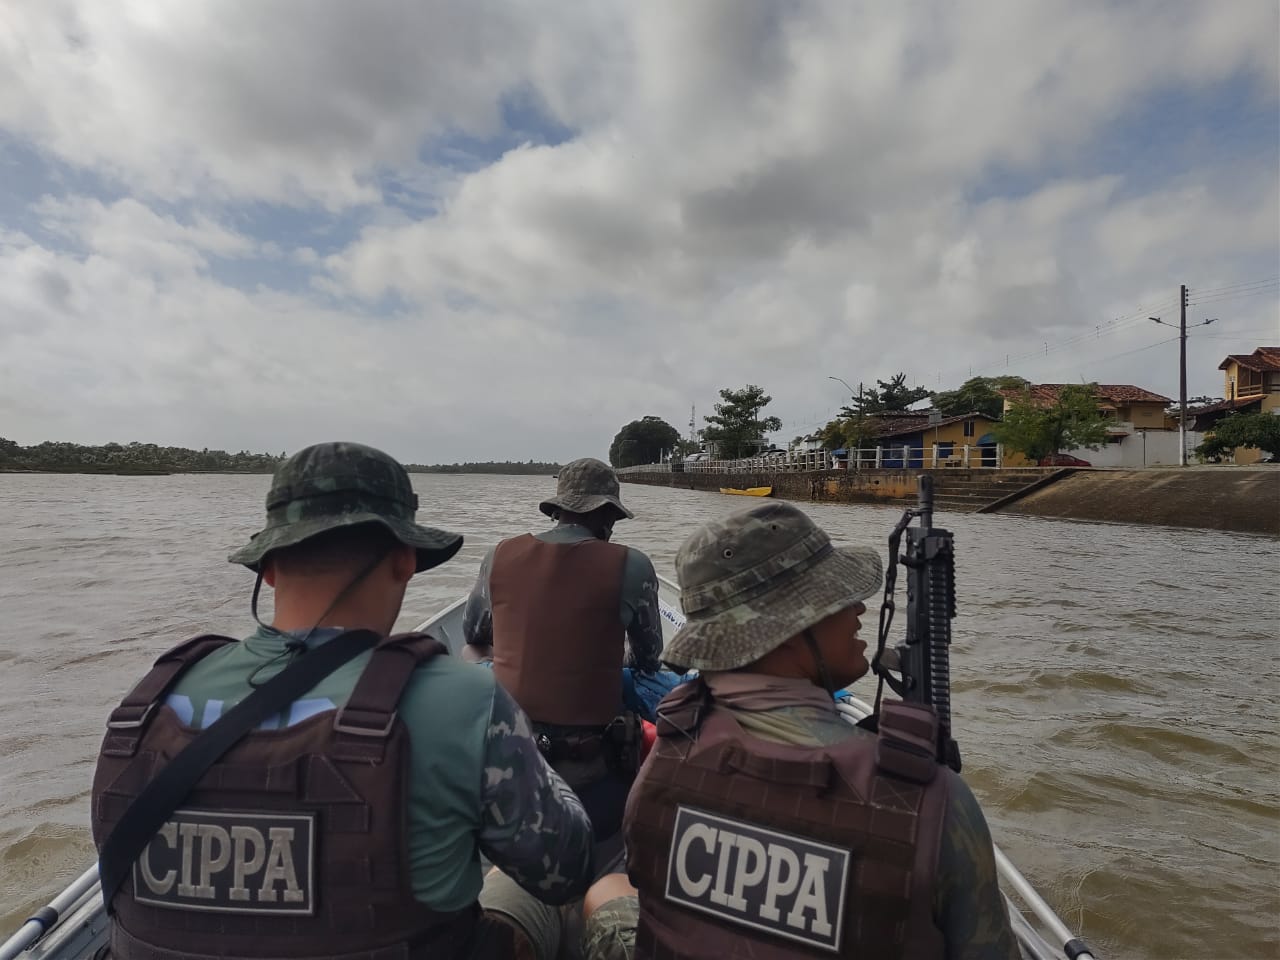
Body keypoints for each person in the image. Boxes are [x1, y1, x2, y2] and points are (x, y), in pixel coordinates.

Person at [90, 442, 595, 960]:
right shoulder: (464, 699)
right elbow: (565, 868)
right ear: (405, 560)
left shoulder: (147, 702)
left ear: (267, 569)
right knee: (542, 896)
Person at [581, 501, 1020, 960]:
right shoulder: (930, 799)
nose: (857, 607)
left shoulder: (666, 755)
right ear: (786, 627)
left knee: (607, 890)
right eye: (833, 596)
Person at [463, 457, 664, 840]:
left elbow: (474, 630)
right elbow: (648, 657)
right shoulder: (633, 565)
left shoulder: (500, 554)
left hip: (512, 742)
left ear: (558, 511)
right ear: (608, 517)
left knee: (470, 654)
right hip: (591, 761)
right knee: (649, 679)